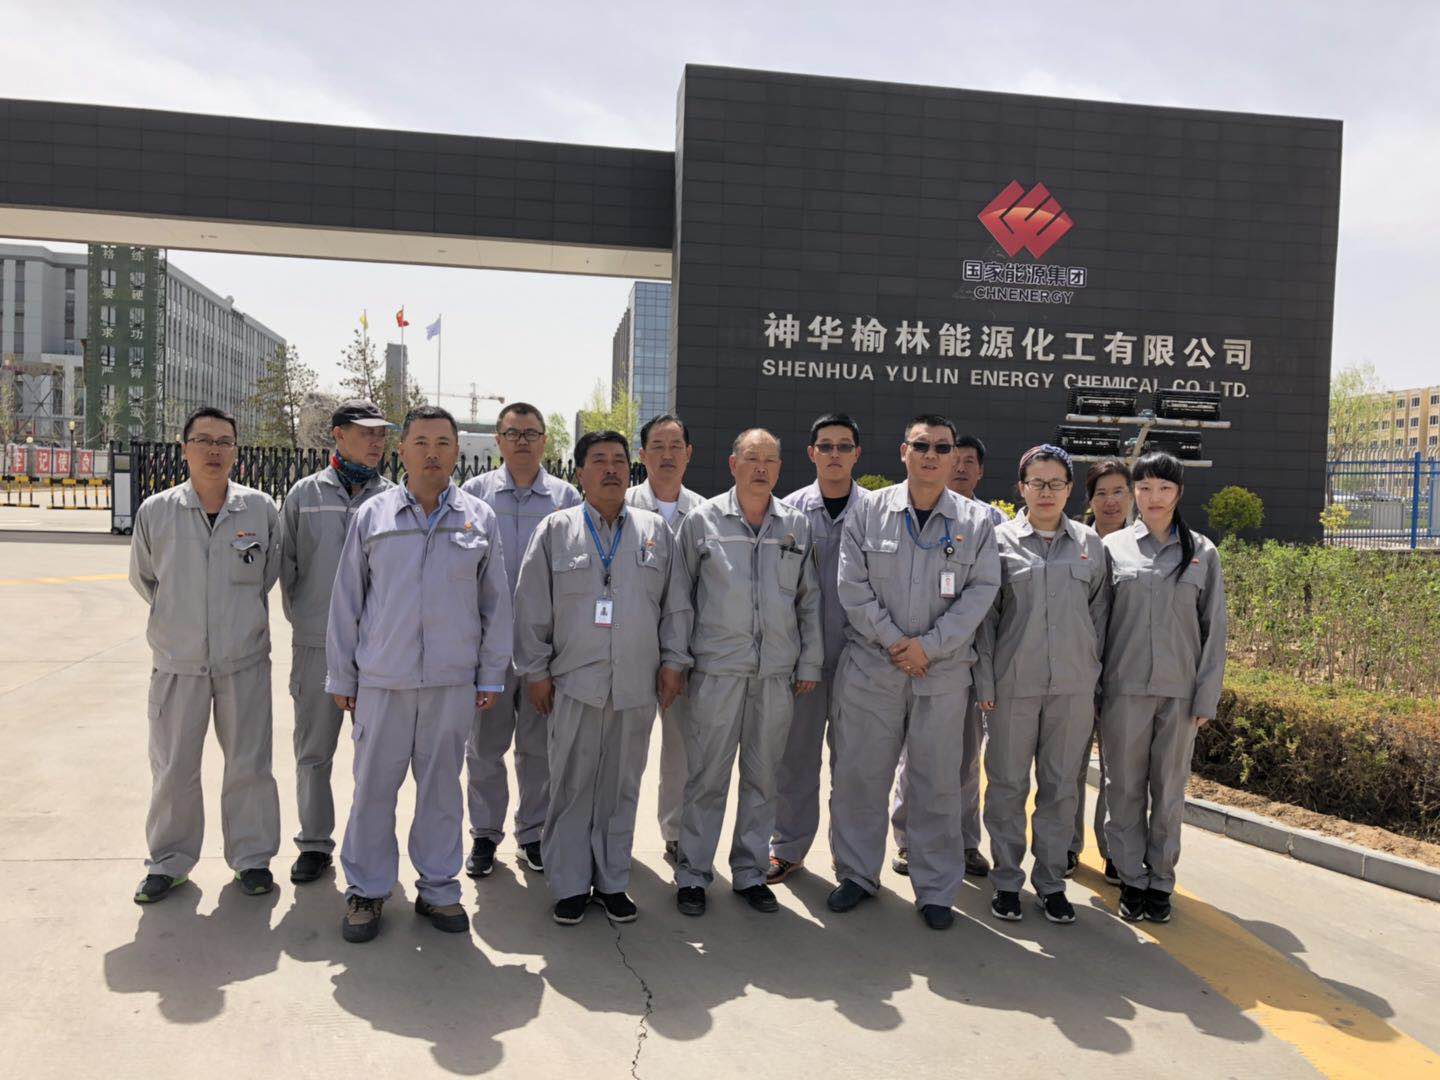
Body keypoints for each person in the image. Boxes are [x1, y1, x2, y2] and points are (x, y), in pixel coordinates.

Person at [326, 406, 512, 943]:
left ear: (457, 452)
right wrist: (342, 676)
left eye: (443, 443)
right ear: (402, 450)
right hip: (383, 680)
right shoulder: (373, 516)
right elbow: (347, 601)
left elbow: (495, 603)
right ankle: (366, 889)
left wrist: (490, 675)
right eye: (422, 442)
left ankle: (438, 887)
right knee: (373, 790)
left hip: (451, 683)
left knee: (441, 790)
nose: (433, 453)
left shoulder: (479, 518)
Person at [828, 416, 1001, 930]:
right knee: (860, 778)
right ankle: (857, 874)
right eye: (921, 445)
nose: (931, 455)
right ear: (904, 451)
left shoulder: (977, 522)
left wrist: (929, 647)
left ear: (954, 457)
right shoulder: (868, 512)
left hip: (941, 676)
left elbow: (980, 593)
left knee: (937, 785)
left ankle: (935, 888)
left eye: (942, 448)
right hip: (872, 670)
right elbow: (851, 587)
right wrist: (895, 642)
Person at [515, 431, 691, 924]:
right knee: (571, 786)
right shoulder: (556, 530)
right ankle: (570, 884)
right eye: (598, 460)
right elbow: (531, 607)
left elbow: (676, 605)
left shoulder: (656, 532)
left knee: (621, 787)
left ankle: (613, 881)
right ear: (580, 473)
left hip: (636, 685)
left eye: (618, 460)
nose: (611, 469)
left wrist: (673, 662)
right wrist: (535, 671)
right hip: (574, 683)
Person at [128, 406, 282, 904]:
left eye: (224, 441)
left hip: (243, 661)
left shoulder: (259, 509)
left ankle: (252, 858)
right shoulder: (157, 511)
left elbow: (267, 575)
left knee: (249, 764)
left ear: (235, 450)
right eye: (203, 440)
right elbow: (145, 578)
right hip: (178, 663)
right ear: (184, 448)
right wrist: (181, 622)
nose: (213, 450)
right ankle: (168, 861)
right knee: (174, 766)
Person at [672, 428, 823, 917]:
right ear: (733, 464)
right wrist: (676, 660)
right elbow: (680, 599)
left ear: (780, 468)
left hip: (775, 674)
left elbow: (809, 601)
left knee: (763, 779)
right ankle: (693, 875)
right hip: (717, 672)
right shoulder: (703, 521)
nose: (761, 467)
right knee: (707, 778)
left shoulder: (795, 526)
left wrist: (809, 661)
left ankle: (750, 872)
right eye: (752, 458)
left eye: (770, 460)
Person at [974, 445, 1108, 924]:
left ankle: (1051, 882)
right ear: (1021, 488)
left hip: (1072, 690)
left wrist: (1092, 681)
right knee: (1007, 786)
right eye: (1037, 483)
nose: (1046, 492)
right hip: (1013, 686)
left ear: (1070, 490)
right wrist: (985, 683)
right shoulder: (997, 543)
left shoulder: (1091, 545)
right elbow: (986, 621)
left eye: (1056, 483)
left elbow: (1100, 619)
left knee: (1060, 788)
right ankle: (1007, 881)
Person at [1100, 451, 1227, 924]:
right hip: (1123, 690)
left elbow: (1215, 629)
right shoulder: (1113, 548)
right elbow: (1097, 626)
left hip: (1180, 694)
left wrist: (1206, 696)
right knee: (1123, 788)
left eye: (1165, 488)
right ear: (1134, 492)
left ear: (1179, 493)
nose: (1154, 497)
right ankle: (1131, 877)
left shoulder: (1202, 552)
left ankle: (1160, 880)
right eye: (1145, 487)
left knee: (1169, 790)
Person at [460, 403, 580, 878]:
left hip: (542, 650)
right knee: (484, 748)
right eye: (513, 433)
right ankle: (484, 835)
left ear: (545, 441)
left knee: (539, 750)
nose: (522, 441)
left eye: (531, 433)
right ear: (498, 440)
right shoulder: (474, 495)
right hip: (487, 648)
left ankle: (533, 834)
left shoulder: (566, 498)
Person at [278, 399, 394, 885]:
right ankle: (313, 843)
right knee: (313, 751)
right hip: (316, 647)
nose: (377, 441)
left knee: (377, 759)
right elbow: (287, 568)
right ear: (338, 436)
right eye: (366, 432)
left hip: (378, 650)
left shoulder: (393, 498)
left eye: (381, 433)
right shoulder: (305, 495)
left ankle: (370, 846)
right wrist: (312, 625)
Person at [892, 431, 1001, 879]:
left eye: (967, 460)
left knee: (963, 759)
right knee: (912, 757)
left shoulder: (992, 521)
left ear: (977, 469)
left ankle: (965, 840)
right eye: (928, 449)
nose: (958, 466)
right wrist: (915, 648)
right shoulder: (902, 512)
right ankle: (906, 839)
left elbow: (987, 594)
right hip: (910, 659)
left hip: (969, 659)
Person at [767, 412, 868, 883]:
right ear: (811, 453)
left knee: (855, 769)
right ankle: (787, 848)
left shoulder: (876, 513)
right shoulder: (788, 512)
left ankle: (852, 863)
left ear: (856, 454)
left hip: (860, 662)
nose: (834, 454)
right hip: (801, 664)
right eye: (825, 446)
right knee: (796, 762)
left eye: (843, 446)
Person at [626, 413, 704, 861]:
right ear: (642, 455)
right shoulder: (622, 506)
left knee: (681, 750)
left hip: (686, 653)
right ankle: (614, 835)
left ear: (689, 453)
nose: (667, 455)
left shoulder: (706, 513)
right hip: (630, 649)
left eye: (676, 446)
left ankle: (676, 833)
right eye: (658, 446)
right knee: (624, 750)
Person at [1070, 458, 1134, 884]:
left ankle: (1113, 848)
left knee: (1118, 769)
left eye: (1118, 492)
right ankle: (1066, 845)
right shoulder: (1075, 542)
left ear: (1131, 495)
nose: (1110, 502)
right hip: (1076, 672)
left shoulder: (1144, 545)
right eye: (1101, 493)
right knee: (1068, 765)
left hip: (1125, 674)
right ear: (1089, 499)